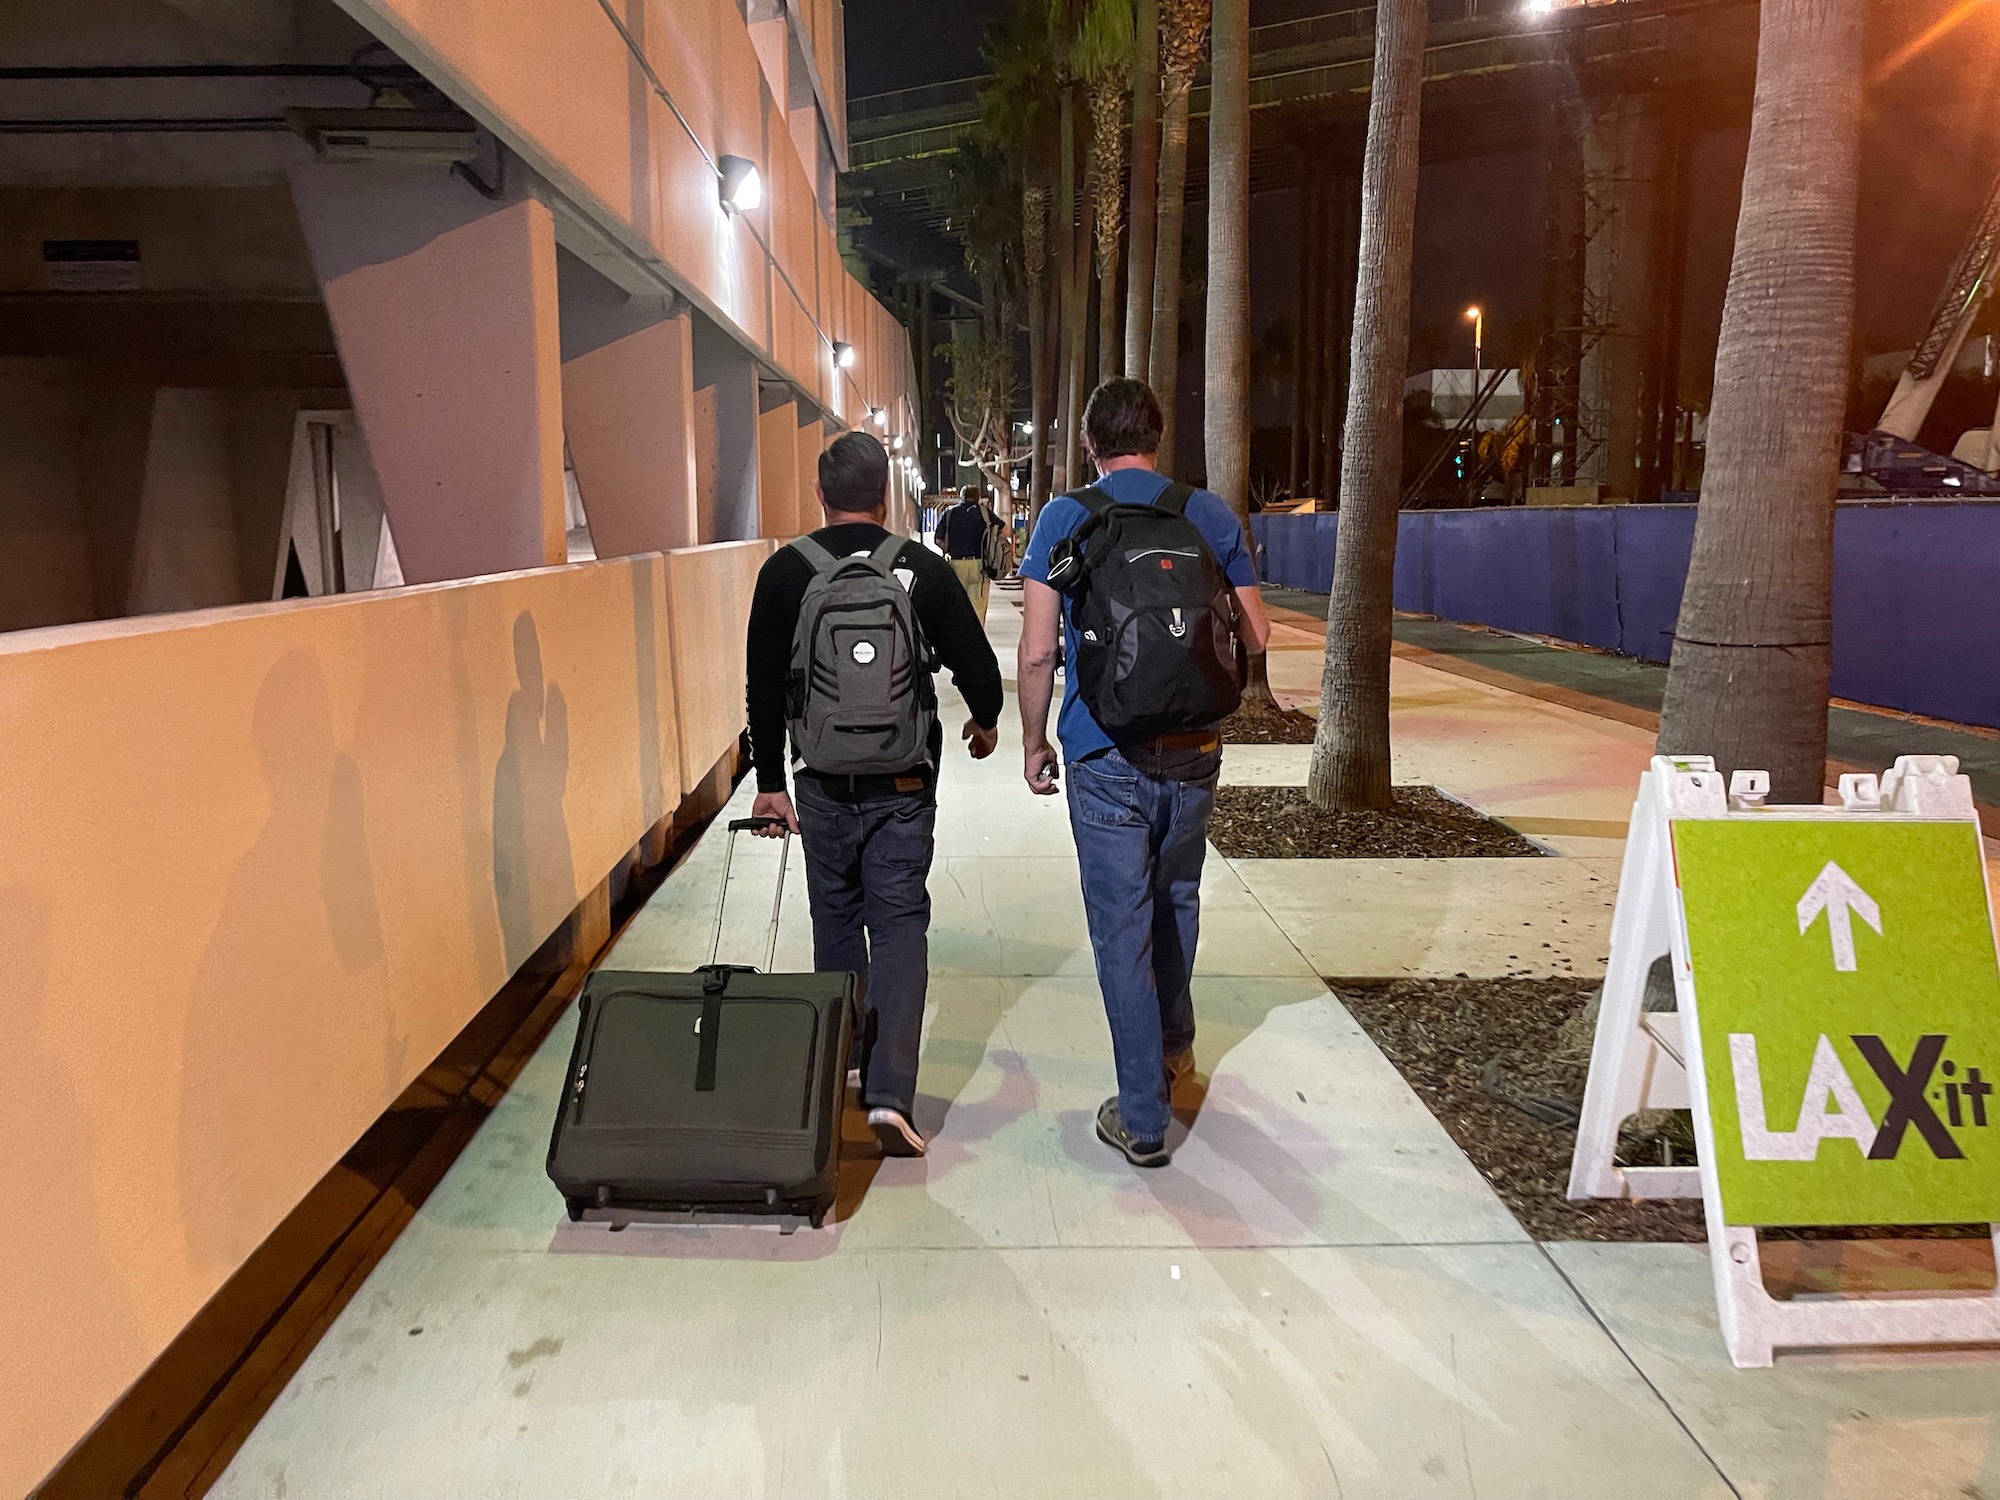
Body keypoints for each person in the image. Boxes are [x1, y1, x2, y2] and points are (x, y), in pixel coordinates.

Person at [1016, 379, 1271, 1168]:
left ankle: (1142, 1117)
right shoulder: (1208, 513)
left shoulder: (1067, 518)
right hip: (1193, 748)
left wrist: (1034, 742)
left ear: (1093, 443)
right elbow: (1258, 632)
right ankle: (1174, 1048)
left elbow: (1034, 652)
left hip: (1103, 753)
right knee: (1178, 897)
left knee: (1121, 927)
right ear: (1157, 440)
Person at [745, 431, 1003, 1157]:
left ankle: (843, 1066)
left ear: (821, 497)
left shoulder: (786, 572)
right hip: (903, 782)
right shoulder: (918, 567)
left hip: (821, 781)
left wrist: (770, 784)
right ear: (885, 496)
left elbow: (762, 687)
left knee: (835, 917)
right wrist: (985, 723)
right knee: (897, 924)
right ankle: (891, 1094)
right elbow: (977, 668)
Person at [933, 485, 1005, 621]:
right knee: (977, 607)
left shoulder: (949, 513)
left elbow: (938, 539)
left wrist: (948, 549)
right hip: (979, 565)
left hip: (955, 565)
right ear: (978, 497)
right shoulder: (984, 513)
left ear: (962, 496)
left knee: (956, 605)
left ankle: (958, 637)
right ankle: (975, 638)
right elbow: (1004, 530)